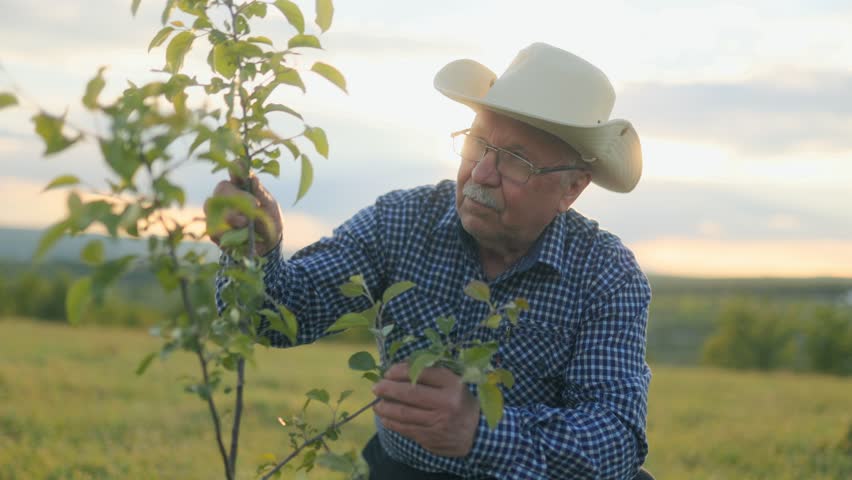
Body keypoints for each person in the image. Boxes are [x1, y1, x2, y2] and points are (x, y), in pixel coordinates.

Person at [208, 43, 652, 480]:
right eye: (477, 143)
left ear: (571, 189)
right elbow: (275, 320)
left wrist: (480, 433)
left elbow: (616, 441)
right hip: (403, 470)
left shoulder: (606, 274)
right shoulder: (401, 221)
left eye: (516, 160)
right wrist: (255, 256)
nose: (480, 174)